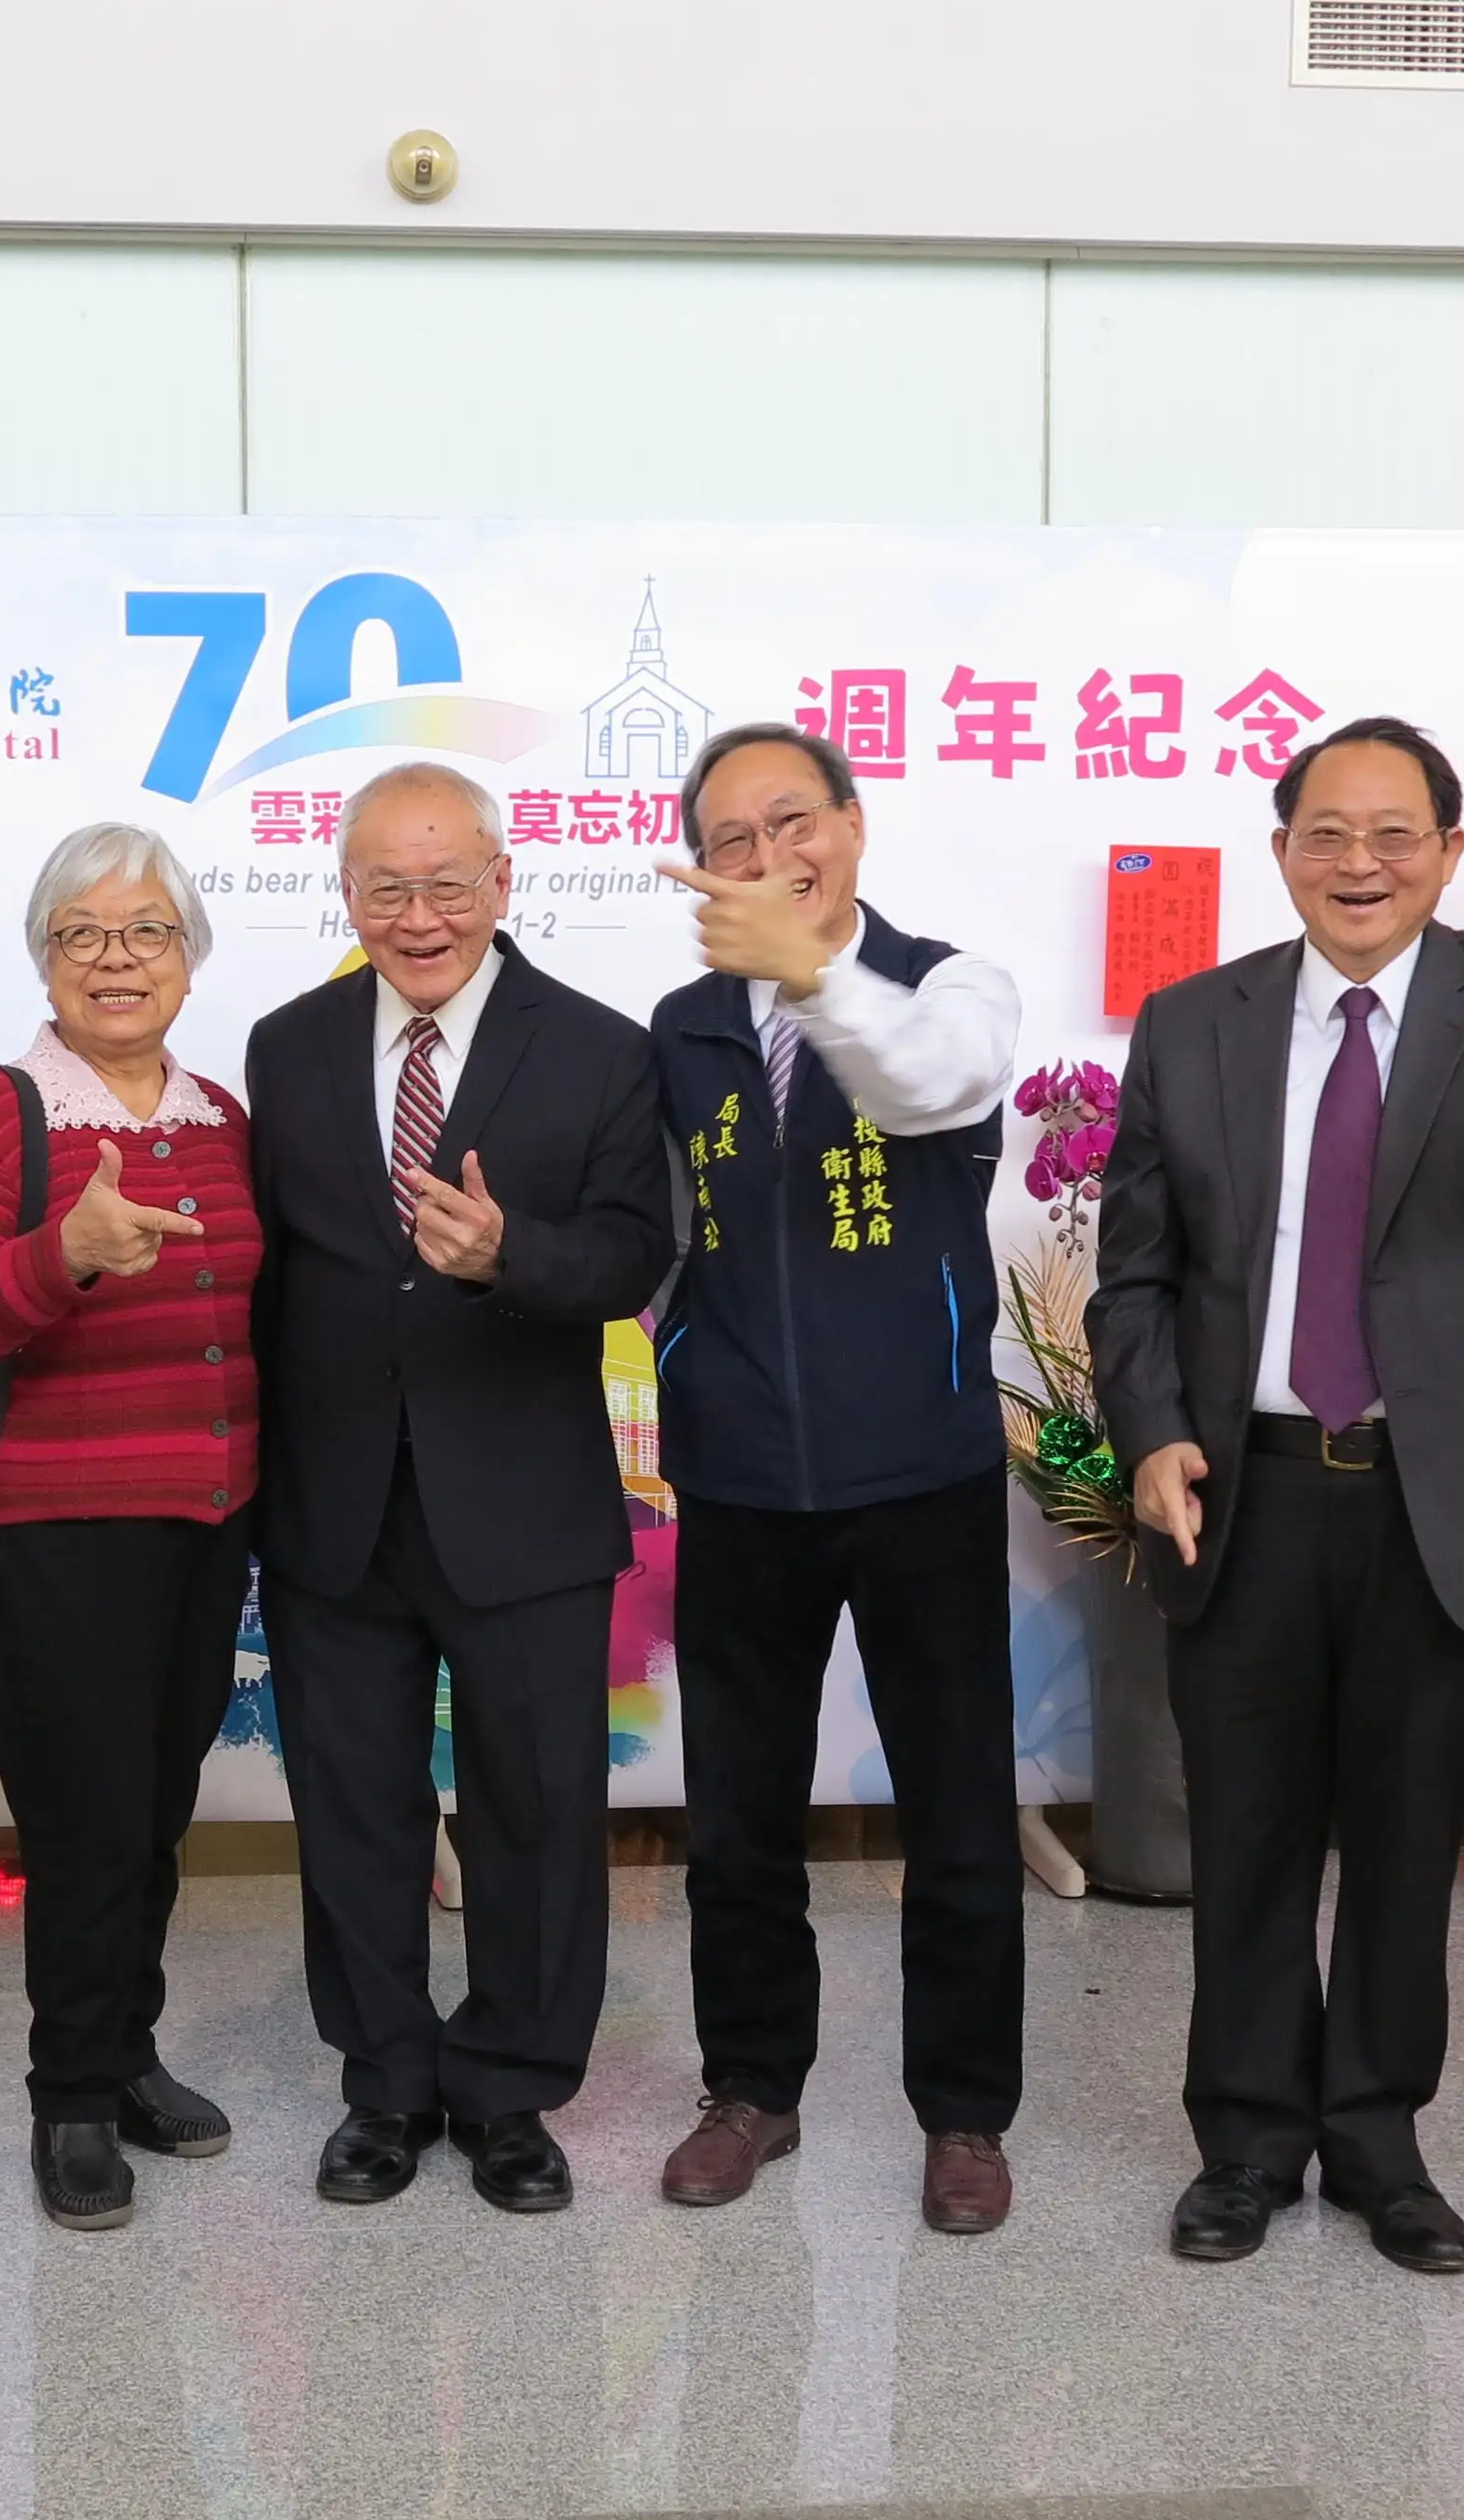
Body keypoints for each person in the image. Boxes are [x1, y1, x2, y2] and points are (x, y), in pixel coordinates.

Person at [1088, 716, 1464, 2278]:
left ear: (1451, 852)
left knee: (1411, 1840)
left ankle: (1377, 2142)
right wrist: (1148, 1431)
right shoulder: (1192, 1021)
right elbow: (1135, 1272)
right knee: (1251, 1842)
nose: (1362, 863)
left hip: (1447, 1494)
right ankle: (1244, 2143)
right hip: (1249, 1492)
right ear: (1281, 849)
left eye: (1396, 834)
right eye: (1328, 833)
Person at [245, 762, 671, 2214]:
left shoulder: (601, 1051)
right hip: (336, 1503)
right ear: (345, 890)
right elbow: (279, 1274)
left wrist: (514, 1260)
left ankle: (509, 2091)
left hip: (525, 1498)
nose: (416, 915)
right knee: (354, 1812)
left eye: (445, 883)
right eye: (385, 885)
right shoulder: (288, 1046)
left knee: (537, 1814)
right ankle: (385, 2084)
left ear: (503, 882)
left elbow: (636, 1253)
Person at [643, 722, 1029, 2234]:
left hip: (921, 1468)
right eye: (727, 839)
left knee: (958, 1808)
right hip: (739, 1476)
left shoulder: (948, 986)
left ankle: (965, 2114)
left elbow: (932, 1087)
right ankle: (750, 2086)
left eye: (788, 823)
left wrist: (810, 975)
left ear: (853, 827)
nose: (763, 858)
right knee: (739, 1812)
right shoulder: (675, 1030)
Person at [0, 823, 259, 2230]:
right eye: (84, 934)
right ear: (45, 957)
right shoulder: (2, 1111)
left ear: (189, 955)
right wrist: (62, 1256)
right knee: (86, 1829)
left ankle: (127, 2056)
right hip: (65, 1532)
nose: (117, 961)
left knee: (158, 1818)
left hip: (207, 1525)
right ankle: (66, 2103)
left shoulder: (222, 1116)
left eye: (148, 932)